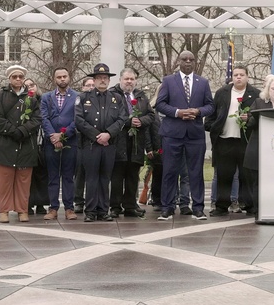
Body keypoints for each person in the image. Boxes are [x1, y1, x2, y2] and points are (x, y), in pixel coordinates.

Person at [154, 50, 214, 221]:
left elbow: (210, 106)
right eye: (184, 59)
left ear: (194, 62)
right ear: (178, 61)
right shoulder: (168, 81)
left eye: (191, 59)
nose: (188, 62)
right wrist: (178, 112)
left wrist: (198, 111)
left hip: (195, 134)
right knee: (169, 171)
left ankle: (198, 208)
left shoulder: (202, 82)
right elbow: (160, 104)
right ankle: (167, 208)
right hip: (172, 134)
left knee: (195, 172)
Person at [0, 65, 42, 223]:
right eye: (14, 76)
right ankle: (4, 210)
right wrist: (13, 131)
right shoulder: (0, 95)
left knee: (23, 181)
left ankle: (22, 210)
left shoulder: (31, 97)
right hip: (6, 144)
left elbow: (37, 119)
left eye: (20, 76)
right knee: (4, 180)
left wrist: (23, 131)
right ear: (9, 78)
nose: (18, 79)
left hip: (26, 145)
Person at [75, 63, 128, 222]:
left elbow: (122, 119)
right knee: (91, 178)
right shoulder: (83, 97)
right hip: (90, 144)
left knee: (105, 178)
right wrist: (97, 136)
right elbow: (78, 120)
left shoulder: (117, 98)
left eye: (105, 78)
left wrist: (108, 134)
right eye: (99, 78)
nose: (102, 81)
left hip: (109, 145)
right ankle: (90, 211)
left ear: (109, 80)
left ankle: (103, 210)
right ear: (94, 80)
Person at [207, 65, 261, 216]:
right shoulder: (221, 93)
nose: (238, 77)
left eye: (241, 75)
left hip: (246, 140)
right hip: (225, 140)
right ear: (232, 77)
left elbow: (258, 117)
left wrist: (249, 118)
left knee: (247, 175)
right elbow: (213, 114)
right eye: (236, 75)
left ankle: (250, 205)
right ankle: (221, 206)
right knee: (224, 174)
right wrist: (212, 126)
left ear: (247, 77)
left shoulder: (255, 94)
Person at [110, 67, 155, 217]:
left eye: (132, 79)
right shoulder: (112, 94)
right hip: (118, 141)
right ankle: (115, 206)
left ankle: (130, 205)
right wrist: (128, 122)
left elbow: (151, 115)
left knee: (132, 175)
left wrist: (140, 121)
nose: (129, 82)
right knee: (117, 176)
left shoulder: (141, 96)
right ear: (120, 80)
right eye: (126, 79)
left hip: (136, 142)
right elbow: (110, 116)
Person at [243, 74, 274, 211]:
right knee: (258, 181)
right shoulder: (258, 102)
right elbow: (251, 124)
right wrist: (248, 119)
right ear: (267, 90)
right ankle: (260, 210)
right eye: (273, 89)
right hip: (260, 149)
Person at [40, 66, 80, 221]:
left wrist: (63, 136)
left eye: (65, 76)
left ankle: (69, 208)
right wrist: (53, 136)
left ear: (69, 77)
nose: (62, 79)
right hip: (51, 142)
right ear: (54, 79)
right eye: (59, 77)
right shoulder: (46, 97)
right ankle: (53, 207)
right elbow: (44, 118)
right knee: (53, 176)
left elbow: (78, 119)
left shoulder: (77, 97)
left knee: (69, 176)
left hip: (70, 140)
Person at [23, 78, 50, 216]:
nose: (30, 88)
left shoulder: (43, 100)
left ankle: (41, 204)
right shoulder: (23, 102)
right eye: (26, 86)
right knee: (28, 176)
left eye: (32, 84)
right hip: (28, 142)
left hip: (42, 142)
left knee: (41, 175)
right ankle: (27, 204)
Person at [73, 76, 95, 214]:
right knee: (80, 174)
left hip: (96, 141)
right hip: (81, 140)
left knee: (94, 175)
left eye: (93, 85)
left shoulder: (100, 99)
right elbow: (77, 119)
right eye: (88, 85)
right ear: (83, 87)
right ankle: (79, 201)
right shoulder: (79, 99)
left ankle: (93, 200)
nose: (91, 87)